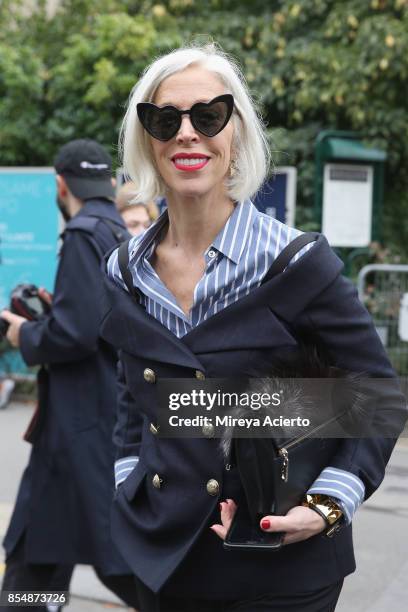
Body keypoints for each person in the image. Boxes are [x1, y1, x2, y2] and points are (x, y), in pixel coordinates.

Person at [100, 44, 406, 612]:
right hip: (163, 558)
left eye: (208, 115)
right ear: (146, 138)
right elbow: (132, 395)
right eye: (165, 119)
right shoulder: (126, 270)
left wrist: (328, 504)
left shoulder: (294, 262)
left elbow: (378, 395)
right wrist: (128, 482)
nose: (186, 133)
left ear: (235, 132)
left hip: (279, 567)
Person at [0, 139, 139, 611]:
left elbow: (75, 334)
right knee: (41, 547)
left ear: (60, 184)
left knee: (112, 559)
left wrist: (28, 334)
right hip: (92, 416)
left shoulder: (81, 233)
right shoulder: (114, 229)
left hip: (77, 426)